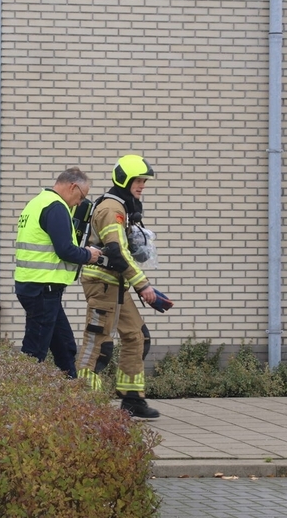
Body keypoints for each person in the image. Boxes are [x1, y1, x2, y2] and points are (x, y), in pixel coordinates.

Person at [76, 154, 161, 418]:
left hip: (116, 285)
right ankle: (83, 406)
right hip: (103, 284)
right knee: (98, 345)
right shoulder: (112, 209)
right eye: (138, 180)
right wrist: (144, 286)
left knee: (138, 337)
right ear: (124, 179)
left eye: (144, 181)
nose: (142, 185)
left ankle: (132, 400)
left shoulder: (122, 206)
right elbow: (116, 251)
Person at [14, 167, 102, 377]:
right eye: (82, 197)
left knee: (64, 345)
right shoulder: (56, 207)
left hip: (34, 286)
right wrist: (88, 255)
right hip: (43, 289)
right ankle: (22, 396)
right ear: (73, 187)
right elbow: (65, 250)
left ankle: (71, 389)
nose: (80, 203)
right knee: (35, 352)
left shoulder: (36, 203)